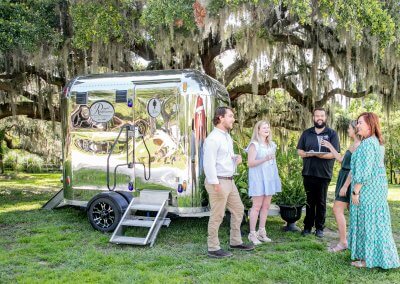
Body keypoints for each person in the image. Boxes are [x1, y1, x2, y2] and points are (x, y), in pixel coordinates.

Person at [348, 112, 399, 269]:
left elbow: (365, 171)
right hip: (375, 189)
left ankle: (367, 260)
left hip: (369, 190)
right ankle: (372, 257)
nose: (357, 126)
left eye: (360, 123)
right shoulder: (373, 142)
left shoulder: (369, 144)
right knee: (375, 223)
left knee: (368, 223)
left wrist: (356, 192)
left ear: (370, 125)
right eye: (357, 123)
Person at [203, 106, 254, 258]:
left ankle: (235, 241)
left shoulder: (227, 136)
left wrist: (235, 160)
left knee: (238, 210)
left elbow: (224, 159)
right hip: (218, 181)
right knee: (217, 215)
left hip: (229, 182)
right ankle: (213, 247)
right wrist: (215, 184)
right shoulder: (212, 139)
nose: (233, 119)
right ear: (220, 118)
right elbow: (208, 163)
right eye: (230, 116)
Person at [297, 108, 340, 238]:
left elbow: (334, 154)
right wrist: (306, 154)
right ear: (313, 118)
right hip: (308, 172)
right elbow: (300, 150)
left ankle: (319, 228)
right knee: (310, 201)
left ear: (325, 117)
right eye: (317, 116)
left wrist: (319, 155)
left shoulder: (332, 134)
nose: (319, 118)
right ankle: (307, 227)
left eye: (322, 115)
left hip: (323, 174)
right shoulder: (307, 133)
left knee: (321, 201)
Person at [321, 121, 361, 252]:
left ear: (355, 129)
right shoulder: (353, 144)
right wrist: (329, 146)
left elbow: (354, 169)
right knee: (354, 212)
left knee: (337, 209)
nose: (347, 130)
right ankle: (357, 241)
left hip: (348, 181)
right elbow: (340, 159)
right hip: (343, 177)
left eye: (349, 128)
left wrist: (345, 186)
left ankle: (344, 242)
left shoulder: (359, 145)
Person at [246, 121, 281, 245]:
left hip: (269, 178)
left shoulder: (272, 145)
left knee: (266, 206)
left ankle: (262, 232)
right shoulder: (254, 145)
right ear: (258, 130)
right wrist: (265, 159)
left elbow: (272, 163)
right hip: (258, 179)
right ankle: (252, 234)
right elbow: (250, 163)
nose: (267, 129)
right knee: (256, 206)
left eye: (268, 127)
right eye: (264, 127)